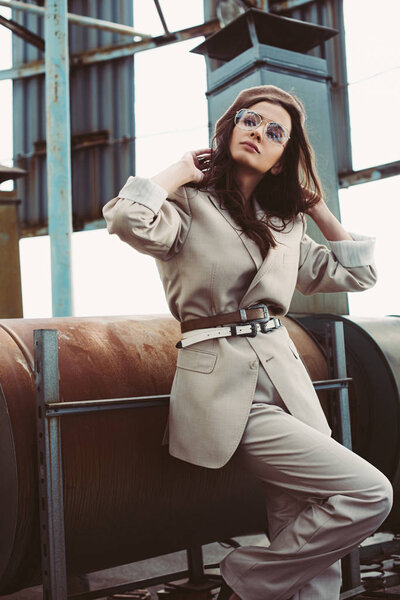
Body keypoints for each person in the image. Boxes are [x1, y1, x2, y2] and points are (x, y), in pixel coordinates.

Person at [103, 85, 392, 600]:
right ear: (231, 129)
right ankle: (247, 576)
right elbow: (126, 219)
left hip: (288, 382)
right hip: (224, 386)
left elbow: (362, 275)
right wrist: (179, 169)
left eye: (275, 132)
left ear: (283, 159)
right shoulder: (187, 205)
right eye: (250, 121)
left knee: (302, 515)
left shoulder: (285, 225)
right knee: (368, 492)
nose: (259, 132)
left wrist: (319, 210)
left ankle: (267, 586)